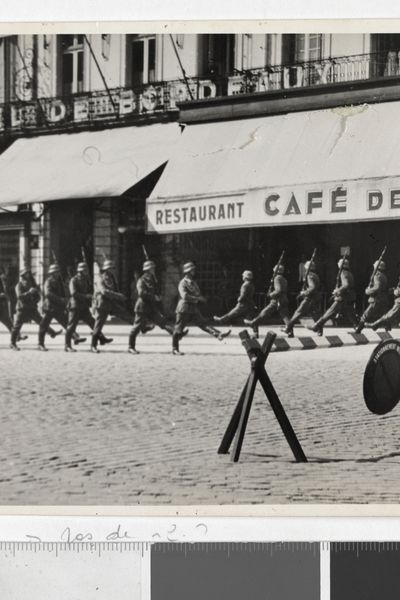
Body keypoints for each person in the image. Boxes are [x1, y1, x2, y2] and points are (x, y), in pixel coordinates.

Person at [172, 262, 231, 356]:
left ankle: (218, 334)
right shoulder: (182, 283)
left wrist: (201, 298)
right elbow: (184, 296)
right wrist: (198, 298)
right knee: (178, 329)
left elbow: (197, 293)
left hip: (193, 308)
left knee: (203, 324)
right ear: (187, 272)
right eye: (192, 270)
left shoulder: (194, 283)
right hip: (184, 309)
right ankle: (175, 349)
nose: (194, 271)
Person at [128, 260, 180, 354]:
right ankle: (131, 347)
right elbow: (141, 293)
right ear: (147, 270)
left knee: (163, 323)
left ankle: (176, 342)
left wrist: (158, 296)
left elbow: (155, 291)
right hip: (142, 307)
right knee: (137, 327)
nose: (154, 269)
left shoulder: (153, 279)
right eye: (152, 268)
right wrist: (153, 297)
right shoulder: (141, 280)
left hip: (151, 307)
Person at [10, 266, 61, 350]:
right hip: (22, 309)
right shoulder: (19, 285)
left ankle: (43, 341)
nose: (28, 275)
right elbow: (20, 297)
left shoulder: (32, 284)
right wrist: (29, 293)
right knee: (17, 326)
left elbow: (38, 296)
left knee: (42, 323)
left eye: (28, 273)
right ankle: (12, 343)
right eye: (26, 273)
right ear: (23, 275)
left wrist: (36, 299)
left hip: (32, 308)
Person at [65, 262, 112, 352]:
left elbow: (89, 289)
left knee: (93, 323)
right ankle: (67, 345)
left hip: (83, 306)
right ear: (81, 271)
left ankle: (101, 338)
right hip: (75, 306)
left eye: (86, 270)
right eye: (85, 270)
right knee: (71, 326)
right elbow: (73, 293)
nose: (87, 271)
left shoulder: (86, 279)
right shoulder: (74, 280)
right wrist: (86, 296)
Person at [308, 257, 358, 336]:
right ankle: (357, 327)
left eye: (339, 263)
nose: (338, 263)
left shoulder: (343, 273)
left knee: (329, 312)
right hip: (349, 297)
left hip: (342, 297)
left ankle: (316, 326)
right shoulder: (349, 273)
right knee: (350, 313)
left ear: (341, 265)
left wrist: (338, 290)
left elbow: (346, 285)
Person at [91, 259, 132, 353]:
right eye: (110, 268)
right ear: (106, 269)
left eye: (113, 268)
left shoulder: (112, 278)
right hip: (102, 304)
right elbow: (104, 291)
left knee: (124, 314)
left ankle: (141, 327)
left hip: (111, 303)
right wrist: (118, 296)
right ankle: (93, 345)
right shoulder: (100, 278)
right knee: (98, 325)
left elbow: (114, 288)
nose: (112, 270)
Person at [244, 262, 290, 330]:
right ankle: (290, 330)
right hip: (283, 299)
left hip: (277, 300)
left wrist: (271, 294)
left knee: (264, 312)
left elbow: (278, 290)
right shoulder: (283, 279)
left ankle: (253, 322)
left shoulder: (277, 278)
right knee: (285, 316)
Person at [281, 259, 321, 337]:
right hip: (315, 297)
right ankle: (319, 330)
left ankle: (288, 328)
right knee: (315, 314)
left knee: (298, 313)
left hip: (309, 298)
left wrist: (304, 292)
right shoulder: (315, 275)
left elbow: (312, 287)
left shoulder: (309, 275)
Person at [213, 270, 258, 337]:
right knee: (251, 318)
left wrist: (239, 299)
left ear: (245, 277)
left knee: (232, 313)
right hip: (250, 304)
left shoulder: (245, 285)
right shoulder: (251, 284)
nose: (242, 277)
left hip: (243, 304)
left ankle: (221, 320)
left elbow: (243, 295)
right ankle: (256, 333)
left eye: (243, 276)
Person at [354, 259, 390, 333]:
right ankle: (387, 327)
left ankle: (359, 329)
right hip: (383, 298)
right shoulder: (384, 276)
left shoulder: (377, 275)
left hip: (376, 299)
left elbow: (377, 287)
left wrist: (368, 291)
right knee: (383, 314)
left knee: (366, 314)